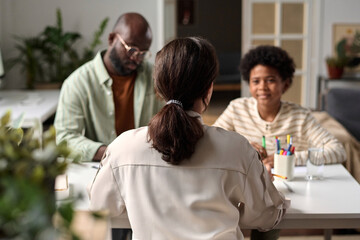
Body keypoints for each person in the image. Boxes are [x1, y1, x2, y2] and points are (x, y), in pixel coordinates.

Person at [89, 37, 290, 239]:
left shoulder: (124, 147)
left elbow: (100, 205)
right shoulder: (237, 148)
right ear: (209, 89)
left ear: (159, 89)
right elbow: (267, 216)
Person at [214, 45, 346, 239]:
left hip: (285, 190)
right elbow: (213, 141)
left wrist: (284, 159)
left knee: (269, 217)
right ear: (248, 84)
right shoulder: (237, 108)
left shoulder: (300, 116)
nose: (262, 87)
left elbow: (337, 151)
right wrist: (243, 147)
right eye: (256, 81)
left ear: (286, 83)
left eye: (271, 80)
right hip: (244, 189)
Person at [54, 12, 163, 162]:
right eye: (131, 49)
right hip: (101, 167)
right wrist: (110, 153)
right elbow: (64, 139)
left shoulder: (155, 76)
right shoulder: (77, 83)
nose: (135, 58)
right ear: (112, 39)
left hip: (147, 164)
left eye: (142, 54)